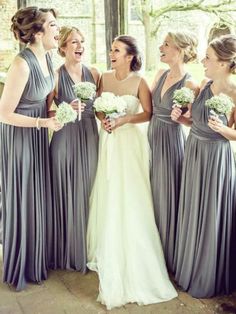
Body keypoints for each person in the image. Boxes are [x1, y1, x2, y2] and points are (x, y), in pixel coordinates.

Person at [87, 35, 177, 310]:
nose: (111, 53)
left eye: (116, 50)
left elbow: (147, 113)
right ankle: (109, 245)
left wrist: (125, 119)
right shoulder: (103, 77)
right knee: (108, 189)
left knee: (131, 194)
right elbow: (98, 109)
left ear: (129, 56)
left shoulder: (140, 81)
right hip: (109, 142)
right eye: (111, 49)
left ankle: (137, 252)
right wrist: (104, 120)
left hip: (130, 143)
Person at [0, 6, 62, 291]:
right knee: (24, 196)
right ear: (36, 32)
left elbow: (45, 99)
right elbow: (4, 114)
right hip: (20, 137)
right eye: (52, 25)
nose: (57, 29)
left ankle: (37, 256)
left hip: (37, 132)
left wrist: (57, 111)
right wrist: (43, 122)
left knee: (38, 194)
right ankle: (21, 263)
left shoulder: (49, 58)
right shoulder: (21, 64)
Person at [171, 34, 236, 298]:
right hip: (194, 153)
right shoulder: (204, 85)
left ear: (223, 63)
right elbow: (194, 122)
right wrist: (181, 119)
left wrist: (224, 130)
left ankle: (207, 275)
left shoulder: (234, 91)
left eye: (208, 58)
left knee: (209, 212)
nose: (203, 61)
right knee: (193, 208)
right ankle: (189, 269)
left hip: (215, 158)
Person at [48, 26, 100, 272]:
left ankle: (88, 249)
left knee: (89, 188)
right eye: (74, 42)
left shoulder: (95, 73)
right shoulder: (55, 76)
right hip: (65, 139)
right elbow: (47, 111)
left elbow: (100, 108)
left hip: (89, 135)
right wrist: (65, 107)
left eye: (82, 41)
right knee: (65, 190)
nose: (80, 46)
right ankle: (66, 251)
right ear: (63, 48)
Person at [147, 31, 199, 272]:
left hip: (171, 140)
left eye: (166, 44)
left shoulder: (190, 84)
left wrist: (184, 117)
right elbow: (146, 105)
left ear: (180, 50)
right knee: (150, 192)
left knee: (166, 193)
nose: (161, 47)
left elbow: (191, 120)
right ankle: (151, 249)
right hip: (151, 136)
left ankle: (168, 258)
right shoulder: (159, 74)